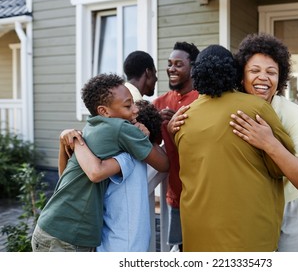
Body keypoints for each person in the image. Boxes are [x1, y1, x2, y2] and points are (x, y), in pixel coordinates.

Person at [172, 44, 295, 251]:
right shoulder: (256, 108)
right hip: (249, 237)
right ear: (235, 72)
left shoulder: (183, 116)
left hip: (197, 235)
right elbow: (281, 167)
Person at [31, 73, 168, 252]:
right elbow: (164, 164)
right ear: (104, 111)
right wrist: (147, 139)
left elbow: (64, 177)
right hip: (66, 236)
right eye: (128, 105)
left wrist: (65, 141)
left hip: (51, 226)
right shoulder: (122, 128)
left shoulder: (91, 128)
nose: (135, 110)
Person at [231, 33, 298, 251]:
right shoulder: (232, 107)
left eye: (271, 72)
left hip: (296, 203)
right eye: (255, 70)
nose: (263, 77)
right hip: (257, 203)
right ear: (241, 76)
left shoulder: (292, 113)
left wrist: (270, 143)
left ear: (279, 78)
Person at [58, 100, 165, 252]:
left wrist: (73, 142)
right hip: (123, 241)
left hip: (118, 244)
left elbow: (88, 173)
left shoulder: (125, 157)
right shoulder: (129, 155)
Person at [153, 41, 199, 251]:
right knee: (180, 249)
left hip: (203, 192)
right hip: (177, 192)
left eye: (178, 64)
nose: (171, 68)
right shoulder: (160, 103)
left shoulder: (202, 100)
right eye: (169, 63)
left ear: (193, 67)